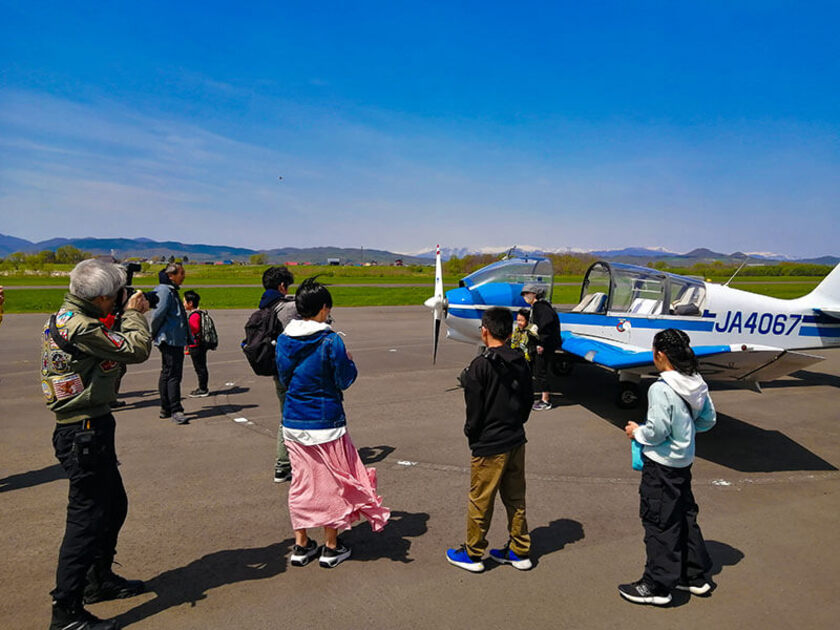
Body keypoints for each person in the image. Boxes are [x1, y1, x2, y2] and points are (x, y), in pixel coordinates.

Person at [42, 259, 152, 630]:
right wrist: (135, 314)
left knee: (113, 505)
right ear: (104, 298)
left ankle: (97, 579)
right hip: (82, 431)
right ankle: (66, 612)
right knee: (86, 521)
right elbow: (135, 349)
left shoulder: (70, 316)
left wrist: (118, 308)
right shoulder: (81, 326)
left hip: (90, 427)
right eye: (118, 292)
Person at [276, 277, 390, 569]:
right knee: (332, 484)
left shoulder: (286, 339)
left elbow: (285, 377)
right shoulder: (330, 340)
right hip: (326, 422)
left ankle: (301, 545)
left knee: (301, 483)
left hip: (294, 420)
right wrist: (348, 361)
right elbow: (344, 379)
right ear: (324, 308)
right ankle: (331, 545)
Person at [619, 329, 717, 606]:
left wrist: (637, 432)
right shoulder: (696, 382)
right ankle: (694, 576)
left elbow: (657, 431)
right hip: (683, 462)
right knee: (685, 516)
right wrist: (684, 431)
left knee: (659, 522)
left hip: (661, 466)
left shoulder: (661, 388)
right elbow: (708, 420)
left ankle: (657, 585)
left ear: (660, 354)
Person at [446, 307, 534, 573]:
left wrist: (473, 435)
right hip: (516, 438)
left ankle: (473, 552)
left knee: (480, 499)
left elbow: (474, 410)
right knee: (515, 497)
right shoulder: (520, 360)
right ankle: (519, 549)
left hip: (489, 443)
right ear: (509, 332)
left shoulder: (480, 366)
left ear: (484, 330)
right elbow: (527, 401)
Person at [259, 266, 298, 483]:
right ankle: (285, 464)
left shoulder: (265, 306)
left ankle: (284, 465)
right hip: (294, 372)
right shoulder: (288, 309)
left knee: (286, 416)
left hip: (277, 370)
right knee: (294, 417)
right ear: (282, 286)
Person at [150, 262, 189, 425]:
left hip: (173, 338)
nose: (183, 276)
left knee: (167, 372)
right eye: (181, 273)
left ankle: (166, 407)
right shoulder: (165, 291)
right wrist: (153, 333)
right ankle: (175, 408)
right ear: (171, 275)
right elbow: (157, 315)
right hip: (170, 339)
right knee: (173, 374)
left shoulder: (169, 291)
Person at [521, 283, 561, 411]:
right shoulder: (536, 307)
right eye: (523, 294)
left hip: (543, 345)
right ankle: (541, 398)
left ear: (534, 294)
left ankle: (546, 400)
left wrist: (541, 343)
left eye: (526, 293)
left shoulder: (541, 308)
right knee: (536, 371)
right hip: (539, 344)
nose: (524, 296)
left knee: (540, 372)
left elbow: (546, 327)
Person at [183, 290, 210, 397]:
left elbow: (194, 330)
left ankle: (203, 388)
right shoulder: (198, 314)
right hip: (200, 345)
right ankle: (203, 387)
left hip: (196, 346)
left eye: (184, 302)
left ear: (190, 303)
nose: (183, 304)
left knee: (200, 367)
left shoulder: (194, 316)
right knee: (201, 367)